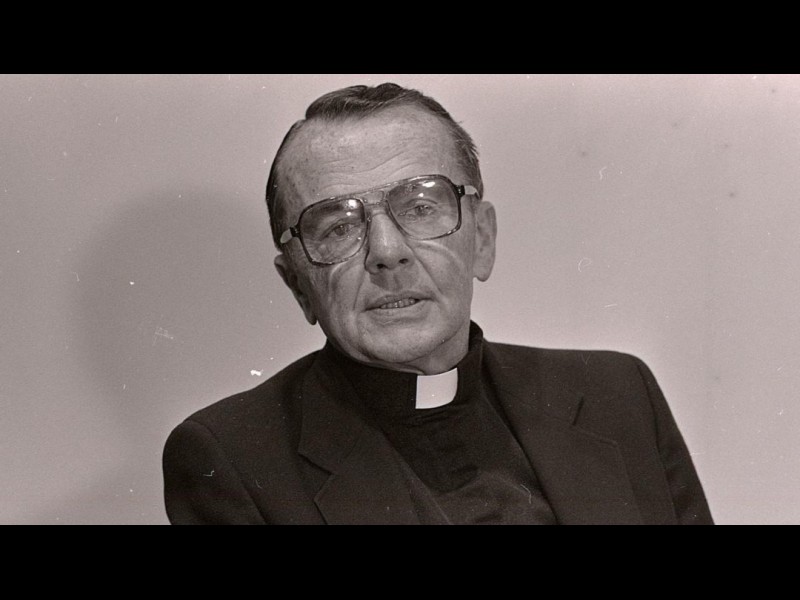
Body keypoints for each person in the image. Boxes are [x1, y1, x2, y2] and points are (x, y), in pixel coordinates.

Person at [162, 82, 714, 525]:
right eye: (337, 227)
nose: (387, 252)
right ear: (298, 285)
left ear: (483, 240)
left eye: (421, 207)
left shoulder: (618, 394)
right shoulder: (233, 460)